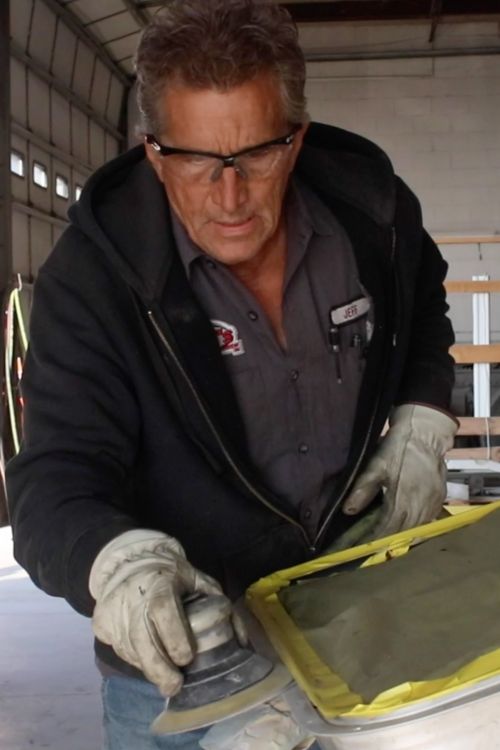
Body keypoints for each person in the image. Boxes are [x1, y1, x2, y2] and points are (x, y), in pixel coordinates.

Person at [6, 0, 458, 748]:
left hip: (347, 629)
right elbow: (55, 476)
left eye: (256, 155)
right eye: (194, 160)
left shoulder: (372, 216)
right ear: (154, 153)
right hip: (184, 677)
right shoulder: (94, 281)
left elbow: (427, 301)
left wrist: (422, 411)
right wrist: (115, 563)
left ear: (296, 138)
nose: (229, 196)